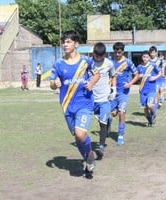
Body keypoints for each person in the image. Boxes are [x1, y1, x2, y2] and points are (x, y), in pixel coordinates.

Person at [49, 30, 100, 178]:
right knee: (77, 137)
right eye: (64, 42)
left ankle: (89, 154)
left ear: (76, 44)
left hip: (84, 103)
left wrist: (91, 83)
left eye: (69, 41)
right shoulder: (58, 64)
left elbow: (97, 74)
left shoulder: (85, 61)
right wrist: (54, 84)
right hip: (67, 105)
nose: (65, 44)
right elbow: (52, 83)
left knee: (80, 133)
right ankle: (89, 160)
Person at [108, 42, 139, 145]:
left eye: (119, 52)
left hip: (123, 92)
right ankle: (109, 122)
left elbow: (136, 75)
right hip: (112, 91)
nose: (117, 54)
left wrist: (130, 84)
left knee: (122, 112)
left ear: (123, 51)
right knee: (113, 113)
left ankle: (120, 135)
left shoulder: (128, 62)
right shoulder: (109, 61)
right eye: (116, 52)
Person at [91, 42, 116, 160]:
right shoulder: (88, 63)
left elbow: (114, 75)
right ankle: (108, 121)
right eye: (97, 56)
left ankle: (101, 146)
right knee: (101, 120)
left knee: (102, 123)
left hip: (104, 98)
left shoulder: (109, 63)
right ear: (93, 53)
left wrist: (114, 89)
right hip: (91, 99)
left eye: (101, 56)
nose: (99, 58)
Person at [137, 50, 161, 127]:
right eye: (144, 57)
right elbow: (136, 77)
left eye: (147, 57)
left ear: (149, 58)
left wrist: (155, 77)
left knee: (150, 105)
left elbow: (160, 73)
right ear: (142, 57)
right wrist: (138, 77)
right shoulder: (139, 67)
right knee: (145, 108)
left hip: (151, 89)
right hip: (142, 90)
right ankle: (150, 121)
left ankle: (154, 114)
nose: (145, 58)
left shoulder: (153, 65)